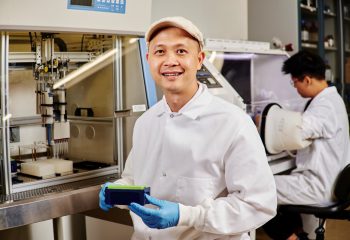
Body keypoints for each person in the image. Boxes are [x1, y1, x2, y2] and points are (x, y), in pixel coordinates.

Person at [99, 16, 277, 240]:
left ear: (200, 59)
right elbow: (136, 180)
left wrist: (187, 216)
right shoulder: (146, 122)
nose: (170, 61)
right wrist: (117, 191)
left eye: (181, 51)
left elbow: (258, 204)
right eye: (160, 52)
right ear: (148, 59)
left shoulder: (232, 122)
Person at [263, 50, 350, 240]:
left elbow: (299, 130)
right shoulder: (330, 99)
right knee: (266, 188)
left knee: (254, 189)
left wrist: (261, 122)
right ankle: (299, 235)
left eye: (295, 83)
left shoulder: (325, 106)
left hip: (318, 186)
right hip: (328, 181)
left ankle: (293, 238)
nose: (295, 88)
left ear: (307, 80)